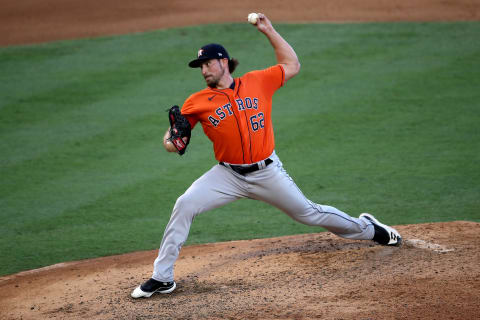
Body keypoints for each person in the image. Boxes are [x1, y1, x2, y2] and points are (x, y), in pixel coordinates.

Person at [131, 13, 401, 299]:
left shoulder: (257, 81)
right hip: (227, 175)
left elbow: (292, 65)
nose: (203, 70)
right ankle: (162, 277)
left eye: (207, 63)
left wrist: (268, 29)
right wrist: (172, 141)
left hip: (267, 172)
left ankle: (368, 229)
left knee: (309, 213)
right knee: (185, 204)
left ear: (224, 62)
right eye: (200, 66)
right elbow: (171, 139)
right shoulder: (196, 102)